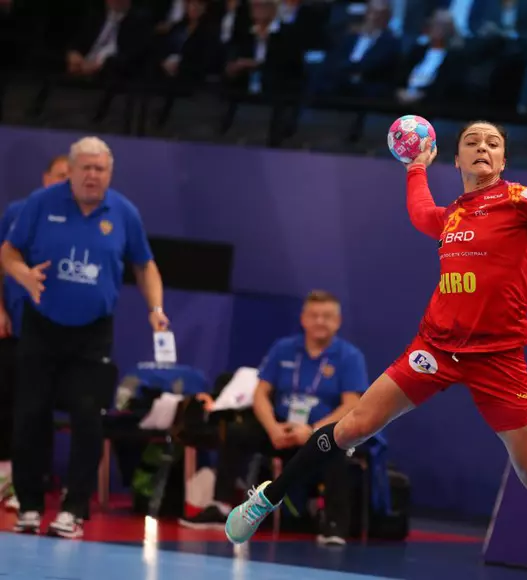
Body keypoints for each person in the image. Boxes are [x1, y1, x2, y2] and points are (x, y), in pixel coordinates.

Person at [224, 120, 527, 545]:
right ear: (456, 159)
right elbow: (423, 215)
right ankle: (266, 499)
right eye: (472, 142)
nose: (482, 147)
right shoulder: (452, 215)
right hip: (435, 348)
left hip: (498, 357)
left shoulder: (519, 199)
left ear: (503, 160)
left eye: (492, 143)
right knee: (352, 427)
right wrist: (415, 168)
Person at [0, 137, 169, 539]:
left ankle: (73, 510)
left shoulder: (124, 212)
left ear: (109, 174)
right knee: (30, 415)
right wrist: (23, 275)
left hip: (93, 334)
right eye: (86, 168)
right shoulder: (40, 204)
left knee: (88, 417)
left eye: (100, 169)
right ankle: (29, 506)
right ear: (72, 171)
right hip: (41, 327)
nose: (93, 175)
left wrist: (155, 308)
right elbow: (8, 252)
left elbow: (145, 265)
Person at [181, 290, 368, 546]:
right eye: (314, 315)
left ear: (338, 321)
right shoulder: (284, 348)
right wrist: (272, 428)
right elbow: (260, 393)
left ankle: (334, 525)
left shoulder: (349, 356)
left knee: (339, 446)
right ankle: (221, 505)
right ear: (303, 319)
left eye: (327, 316)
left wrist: (312, 431)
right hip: (280, 428)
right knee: (236, 431)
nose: (320, 322)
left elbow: (352, 404)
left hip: (319, 431)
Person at [0, 155, 70, 513]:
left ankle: (31, 482)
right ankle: (5, 476)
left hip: (54, 333)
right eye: (59, 175)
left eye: (70, 176)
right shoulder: (18, 211)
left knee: (39, 409)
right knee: (8, 402)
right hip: (15, 328)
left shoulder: (81, 219)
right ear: (45, 177)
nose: (64, 182)